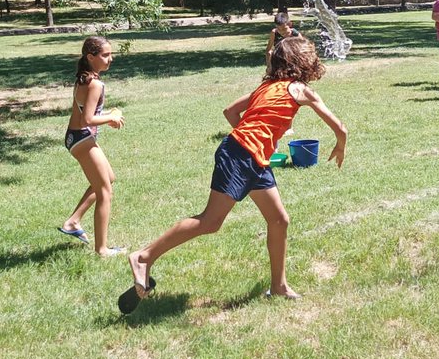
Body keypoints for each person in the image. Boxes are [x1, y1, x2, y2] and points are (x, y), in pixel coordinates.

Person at [124, 36, 347, 311]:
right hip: (241, 155)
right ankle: (144, 257)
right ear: (302, 63)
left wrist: (256, 134)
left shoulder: (266, 87)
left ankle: (278, 286)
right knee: (210, 221)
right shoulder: (299, 89)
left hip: (251, 156)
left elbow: (230, 112)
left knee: (279, 220)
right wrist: (340, 143)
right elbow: (339, 126)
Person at [58, 36, 126, 256]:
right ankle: (102, 249)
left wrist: (108, 114)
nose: (110, 59)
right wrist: (110, 118)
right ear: (91, 57)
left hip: (76, 137)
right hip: (81, 137)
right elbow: (88, 118)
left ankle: (73, 221)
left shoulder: (84, 79)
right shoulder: (94, 83)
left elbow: (86, 113)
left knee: (109, 178)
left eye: (110, 54)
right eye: (105, 55)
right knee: (105, 191)